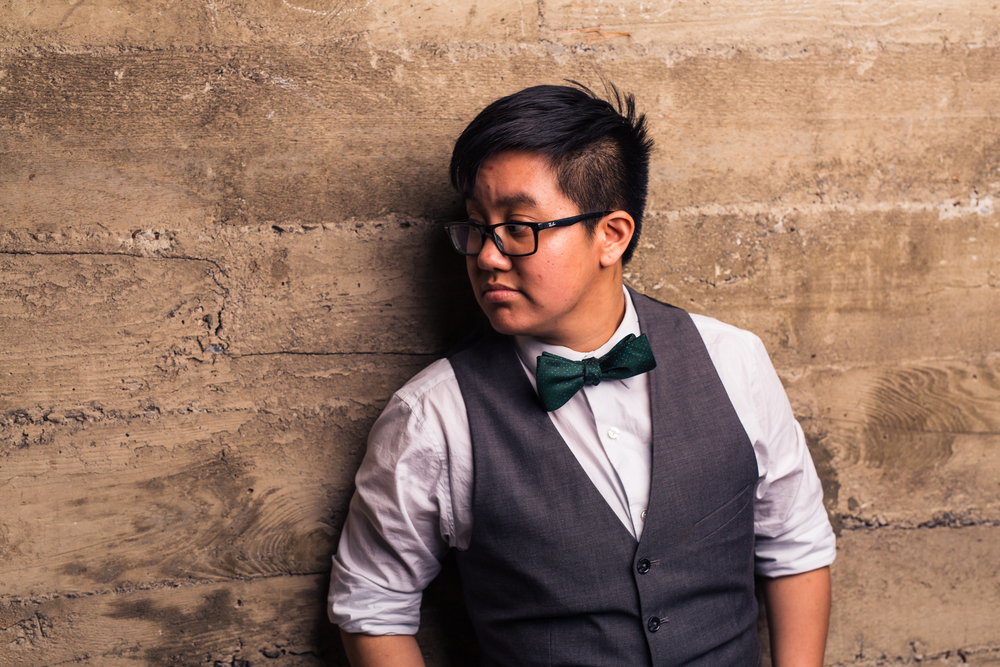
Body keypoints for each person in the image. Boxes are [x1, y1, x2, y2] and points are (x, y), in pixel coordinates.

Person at [329, 83, 835, 667]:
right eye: (476, 225)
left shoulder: (734, 360)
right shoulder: (433, 415)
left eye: (519, 226)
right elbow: (371, 605)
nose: (487, 256)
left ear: (611, 235)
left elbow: (796, 547)